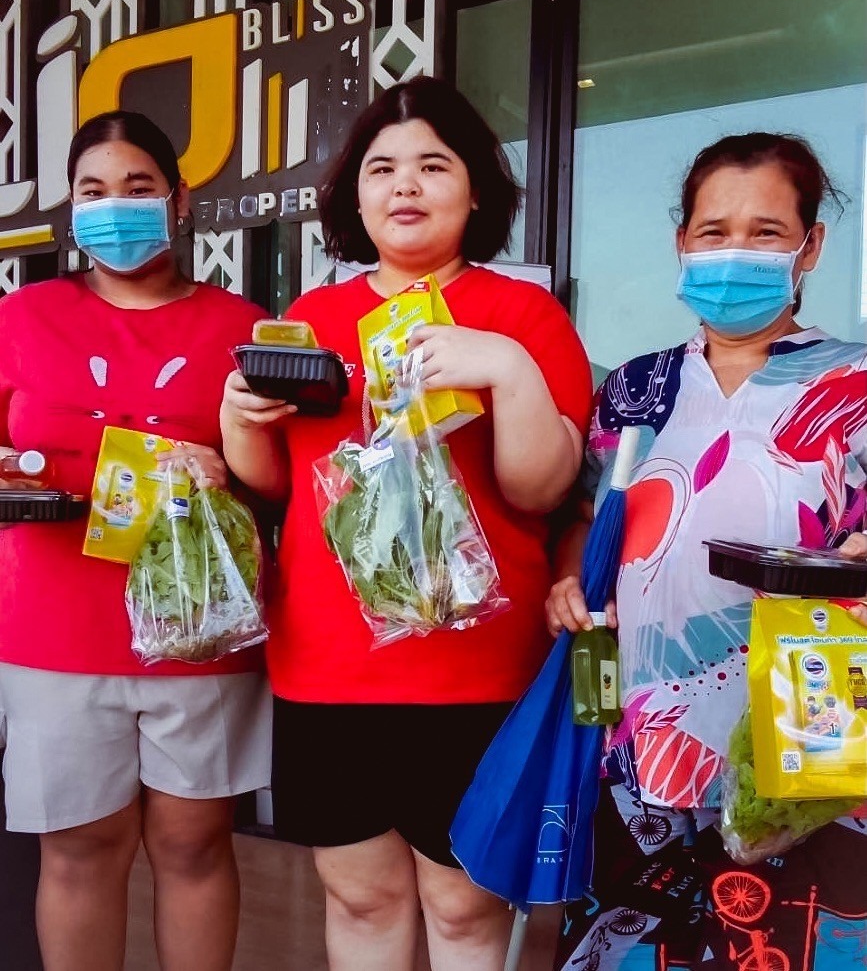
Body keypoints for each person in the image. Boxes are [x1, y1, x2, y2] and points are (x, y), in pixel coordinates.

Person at [220, 75, 594, 971]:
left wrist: (506, 368)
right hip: (326, 665)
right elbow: (279, 486)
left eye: (433, 164)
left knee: (463, 907)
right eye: (382, 168)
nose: (405, 186)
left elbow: (538, 490)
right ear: (355, 197)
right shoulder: (313, 320)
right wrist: (239, 421)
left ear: (475, 190)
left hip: (476, 669)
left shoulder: (522, 316)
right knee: (359, 896)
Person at [546, 132, 867, 970]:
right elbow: (585, 518)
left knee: (782, 947)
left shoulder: (855, 386)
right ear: (680, 242)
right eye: (713, 231)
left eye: (766, 232)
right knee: (634, 947)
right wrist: (568, 581)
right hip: (636, 738)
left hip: (799, 742)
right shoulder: (634, 387)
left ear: (809, 246)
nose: (734, 253)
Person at [0, 111, 272, 971]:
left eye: (138, 187)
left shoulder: (241, 324)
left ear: (179, 200)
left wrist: (228, 466)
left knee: (194, 843)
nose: (114, 207)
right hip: (54, 627)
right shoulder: (22, 316)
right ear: (70, 208)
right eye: (93, 191)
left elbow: (281, 479)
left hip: (201, 624)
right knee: (79, 849)